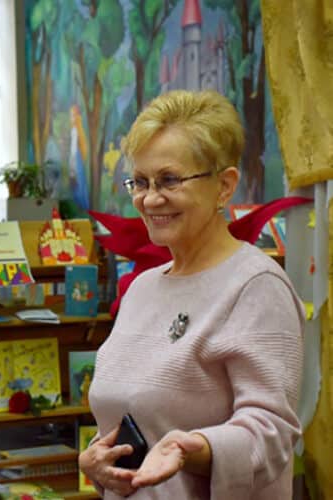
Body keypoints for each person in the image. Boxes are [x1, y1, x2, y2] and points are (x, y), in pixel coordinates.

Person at [79, 89, 304, 499]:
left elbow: (272, 432)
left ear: (224, 186)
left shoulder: (256, 286)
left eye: (169, 180)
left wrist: (192, 449)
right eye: (140, 182)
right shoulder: (142, 288)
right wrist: (96, 457)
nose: (150, 199)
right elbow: (130, 417)